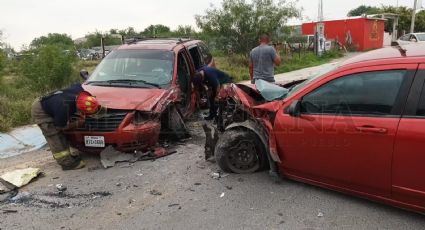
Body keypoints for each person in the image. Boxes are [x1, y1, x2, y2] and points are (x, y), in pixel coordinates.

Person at [31, 83, 100, 170]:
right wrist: (78, 123)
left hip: (54, 103)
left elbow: (76, 84)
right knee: (55, 136)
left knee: (67, 130)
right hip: (41, 111)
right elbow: (59, 127)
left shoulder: (79, 90)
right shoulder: (63, 108)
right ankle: (67, 163)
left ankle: (70, 154)